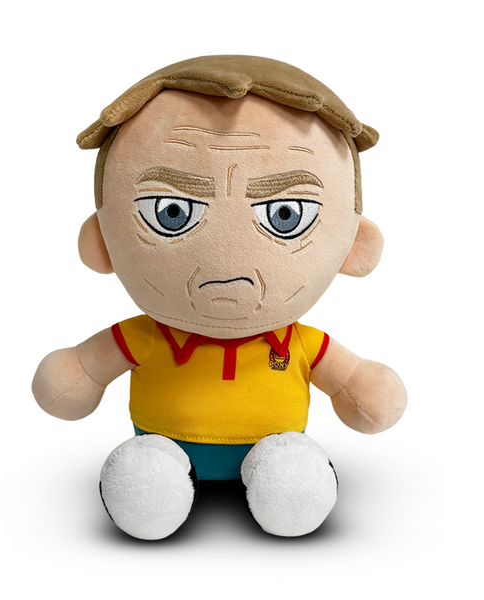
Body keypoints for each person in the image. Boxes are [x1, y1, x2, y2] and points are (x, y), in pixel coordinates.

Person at [32, 55, 407, 540]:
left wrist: (364, 391)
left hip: (273, 444)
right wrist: (72, 378)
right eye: (170, 211)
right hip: (163, 445)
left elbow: (360, 390)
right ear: (101, 242)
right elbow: (75, 378)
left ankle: (286, 476)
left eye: (286, 214)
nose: (228, 271)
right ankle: (154, 479)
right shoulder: (145, 337)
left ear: (355, 247)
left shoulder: (298, 343)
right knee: (147, 480)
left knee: (291, 476)